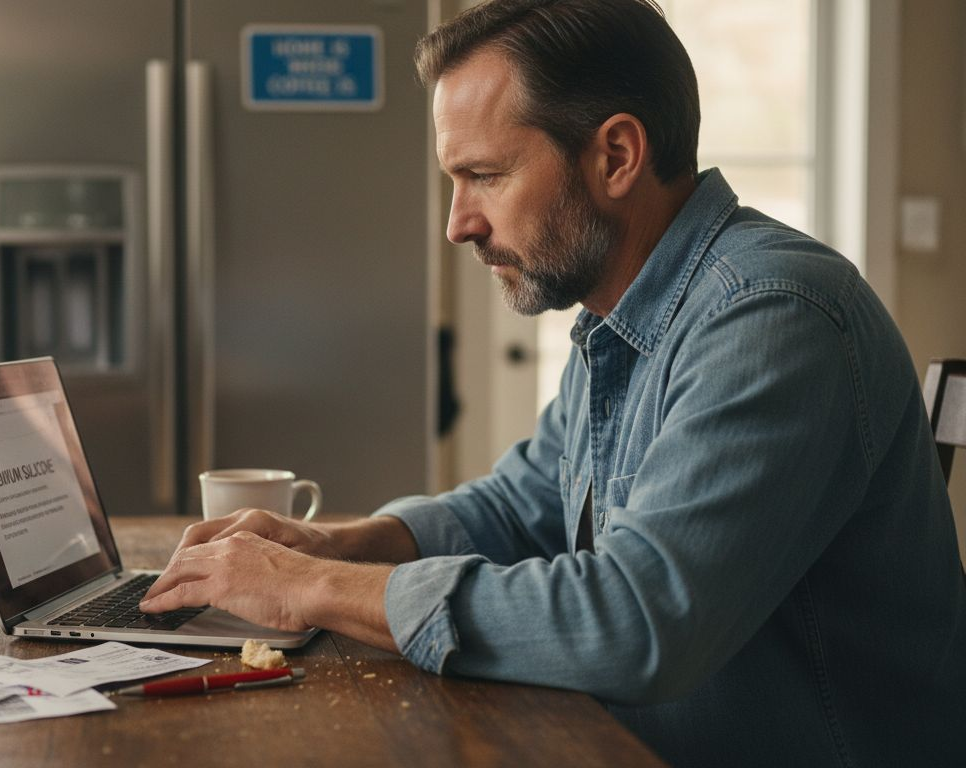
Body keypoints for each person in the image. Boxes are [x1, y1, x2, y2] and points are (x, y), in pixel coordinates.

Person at [140, 0, 966, 764]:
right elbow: (515, 506)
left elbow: (636, 621)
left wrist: (314, 588)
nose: (458, 222)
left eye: (486, 176)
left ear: (615, 155)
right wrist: (338, 544)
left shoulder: (771, 320)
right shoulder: (626, 312)